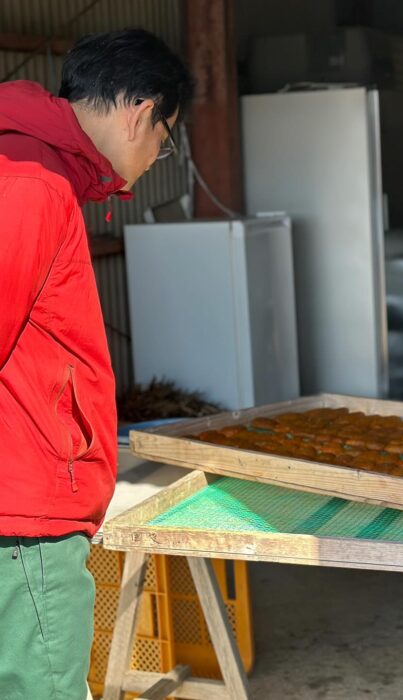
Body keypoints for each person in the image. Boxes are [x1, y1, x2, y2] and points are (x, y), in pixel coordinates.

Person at [0, 29, 193, 699]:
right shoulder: (31, 180)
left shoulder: (28, 167)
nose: (153, 157)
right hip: (24, 515)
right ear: (141, 112)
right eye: (164, 140)